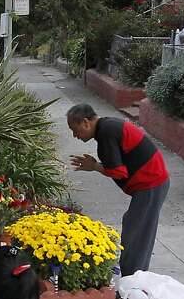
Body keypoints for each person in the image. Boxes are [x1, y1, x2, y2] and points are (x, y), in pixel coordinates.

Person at [66, 102, 170, 277]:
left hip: (150, 183)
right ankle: (133, 274)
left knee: (137, 233)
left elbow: (118, 172)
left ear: (86, 122)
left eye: (74, 129)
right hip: (151, 183)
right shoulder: (107, 127)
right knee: (134, 226)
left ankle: (133, 278)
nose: (75, 135)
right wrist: (96, 166)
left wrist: (94, 167)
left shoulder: (106, 132)